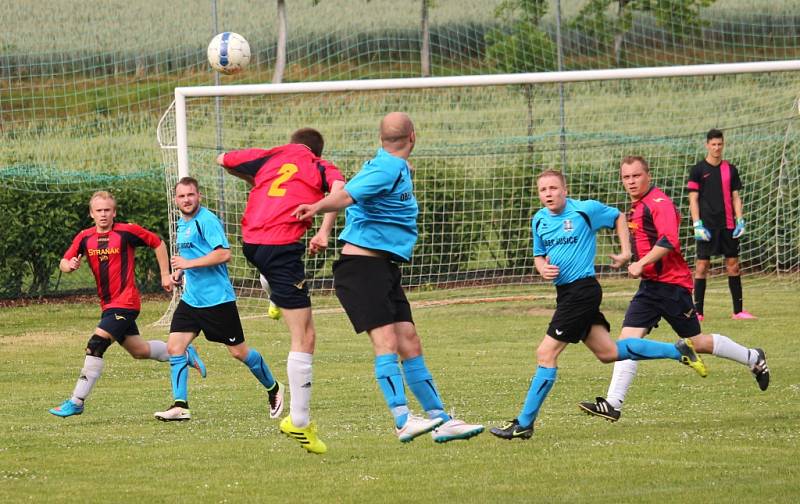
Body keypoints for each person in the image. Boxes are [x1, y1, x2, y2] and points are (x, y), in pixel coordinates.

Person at [293, 112, 484, 444]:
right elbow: (346, 195)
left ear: (382, 140)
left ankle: (441, 420)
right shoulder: (388, 168)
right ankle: (401, 418)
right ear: (413, 135)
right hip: (363, 271)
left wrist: (323, 224)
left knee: (409, 341)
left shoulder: (391, 167)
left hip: (383, 269)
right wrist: (316, 207)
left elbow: (349, 191)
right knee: (387, 344)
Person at [487, 169, 711, 441]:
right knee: (608, 352)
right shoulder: (539, 220)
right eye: (543, 190)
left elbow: (617, 216)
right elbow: (538, 256)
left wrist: (627, 251)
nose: (548, 193)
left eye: (554, 188)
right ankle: (678, 351)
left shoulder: (584, 211)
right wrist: (542, 267)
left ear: (565, 190)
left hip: (583, 291)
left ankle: (523, 423)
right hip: (566, 293)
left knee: (545, 353)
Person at [579, 156, 769, 423]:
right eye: (626, 177)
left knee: (698, 342)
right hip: (651, 287)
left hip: (672, 286)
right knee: (627, 342)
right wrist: (628, 258)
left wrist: (641, 263)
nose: (631, 182)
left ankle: (752, 356)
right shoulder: (638, 205)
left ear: (648, 175)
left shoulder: (659, 203)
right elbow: (648, 241)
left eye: (636, 176)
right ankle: (613, 403)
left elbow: (669, 240)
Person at [217, 127, 345, 454]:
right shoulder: (319, 165)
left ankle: (274, 297)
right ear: (317, 149)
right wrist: (324, 231)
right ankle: (298, 421)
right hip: (281, 246)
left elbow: (223, 160)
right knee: (305, 336)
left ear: (291, 143)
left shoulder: (271, 155)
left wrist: (256, 182)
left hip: (251, 243)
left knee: (276, 279)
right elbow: (339, 192)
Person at [49, 191, 205, 418]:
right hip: (109, 305)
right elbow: (64, 261)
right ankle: (182, 353)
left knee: (96, 344)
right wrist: (69, 265)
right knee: (139, 351)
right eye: (99, 210)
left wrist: (164, 274)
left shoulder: (126, 231)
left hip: (126, 303)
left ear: (114, 212)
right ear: (91, 214)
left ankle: (77, 400)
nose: (103, 214)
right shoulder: (84, 237)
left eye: (107, 210)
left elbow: (157, 243)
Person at [154, 177, 284, 425]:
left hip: (217, 301)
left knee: (239, 352)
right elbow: (191, 254)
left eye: (190, 195)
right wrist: (180, 272)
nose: (186, 200)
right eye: (181, 196)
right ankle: (180, 405)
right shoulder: (183, 224)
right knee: (174, 347)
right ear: (175, 200)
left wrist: (188, 264)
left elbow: (224, 254)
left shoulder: (207, 220)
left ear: (199, 196)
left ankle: (274, 387)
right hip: (192, 300)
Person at [689, 129, 755, 321]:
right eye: (713, 144)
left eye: (720, 144)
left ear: (723, 145)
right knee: (701, 266)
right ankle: (698, 313)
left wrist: (740, 220)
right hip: (706, 226)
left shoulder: (730, 170)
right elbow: (693, 199)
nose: (717, 148)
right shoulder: (698, 170)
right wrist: (696, 224)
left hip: (727, 225)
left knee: (733, 266)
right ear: (707, 145)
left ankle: (738, 311)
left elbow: (736, 197)